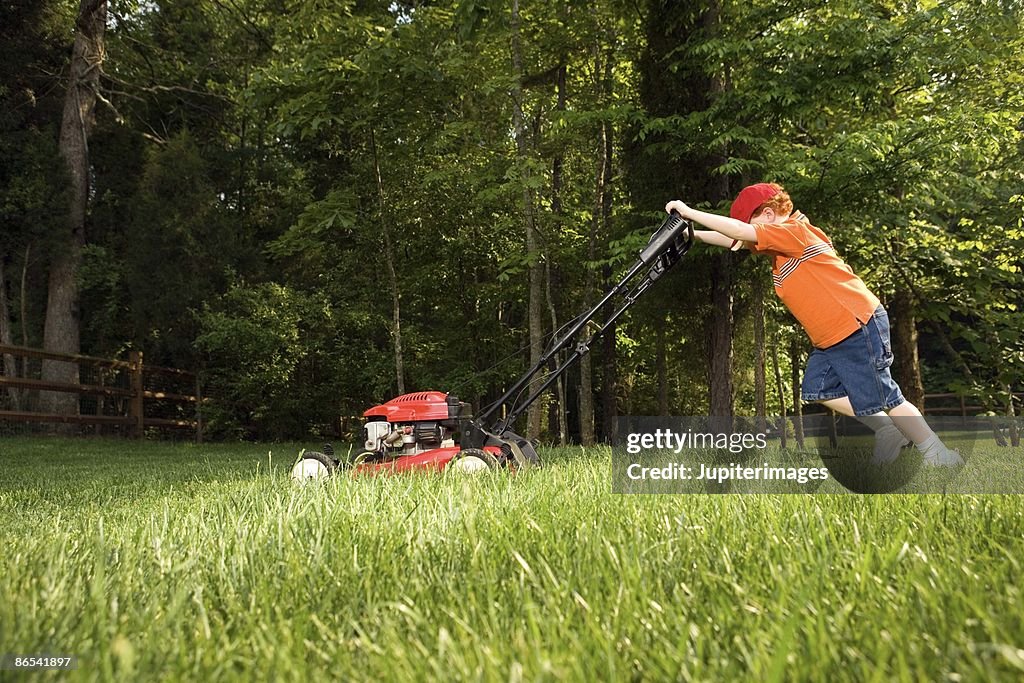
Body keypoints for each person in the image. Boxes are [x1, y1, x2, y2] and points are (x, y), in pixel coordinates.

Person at [665, 183, 963, 466]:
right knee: (819, 390)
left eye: (751, 223)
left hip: (856, 323)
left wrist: (688, 211)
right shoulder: (779, 243)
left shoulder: (795, 232)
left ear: (768, 214)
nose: (747, 234)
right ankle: (887, 429)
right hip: (831, 338)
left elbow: (742, 232)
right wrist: (696, 235)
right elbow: (736, 239)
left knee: (887, 395)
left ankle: (937, 453)